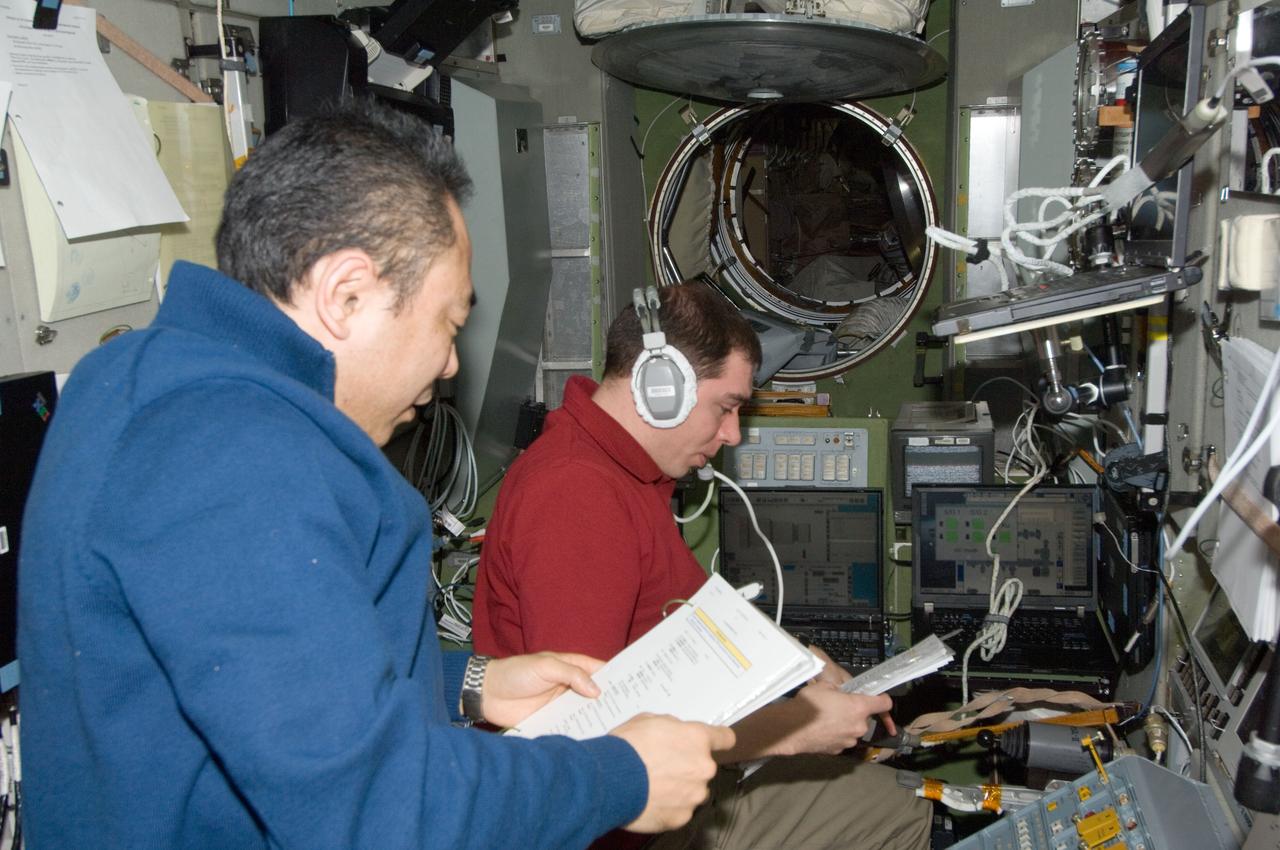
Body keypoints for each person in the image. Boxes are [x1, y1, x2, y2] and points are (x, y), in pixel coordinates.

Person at [16, 101, 735, 850]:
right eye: (447, 324)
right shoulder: (236, 454)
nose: (450, 364)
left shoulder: (136, 379)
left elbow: (263, 693)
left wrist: (469, 684)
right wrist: (620, 777)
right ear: (345, 294)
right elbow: (375, 810)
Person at [472, 283, 933, 850]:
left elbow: (687, 615)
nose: (733, 434)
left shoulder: (625, 470)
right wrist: (793, 731)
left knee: (898, 799)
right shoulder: (576, 495)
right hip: (623, 822)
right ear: (660, 387)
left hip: (661, 784)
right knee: (901, 816)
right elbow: (593, 735)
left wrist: (797, 663)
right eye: (726, 407)